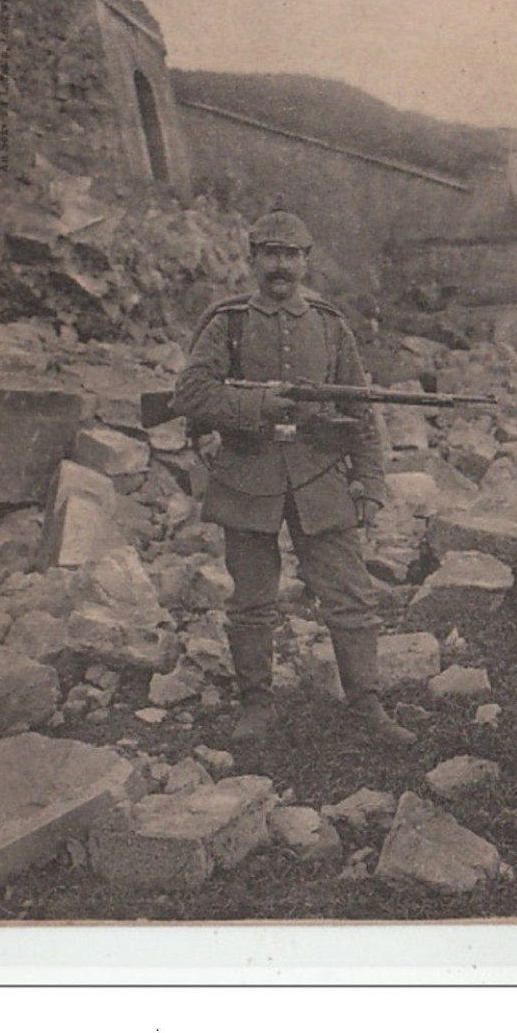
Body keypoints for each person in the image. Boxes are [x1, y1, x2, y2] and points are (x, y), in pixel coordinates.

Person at [173, 208, 416, 747]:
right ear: (253, 258)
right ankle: (257, 705)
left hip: (320, 476)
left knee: (351, 596)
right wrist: (259, 402)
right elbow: (188, 393)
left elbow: (360, 406)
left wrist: (370, 484)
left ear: (306, 261)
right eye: (270, 253)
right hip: (246, 476)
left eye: (292, 254)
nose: (281, 265)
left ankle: (366, 706)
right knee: (252, 601)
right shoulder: (229, 321)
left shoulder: (331, 325)